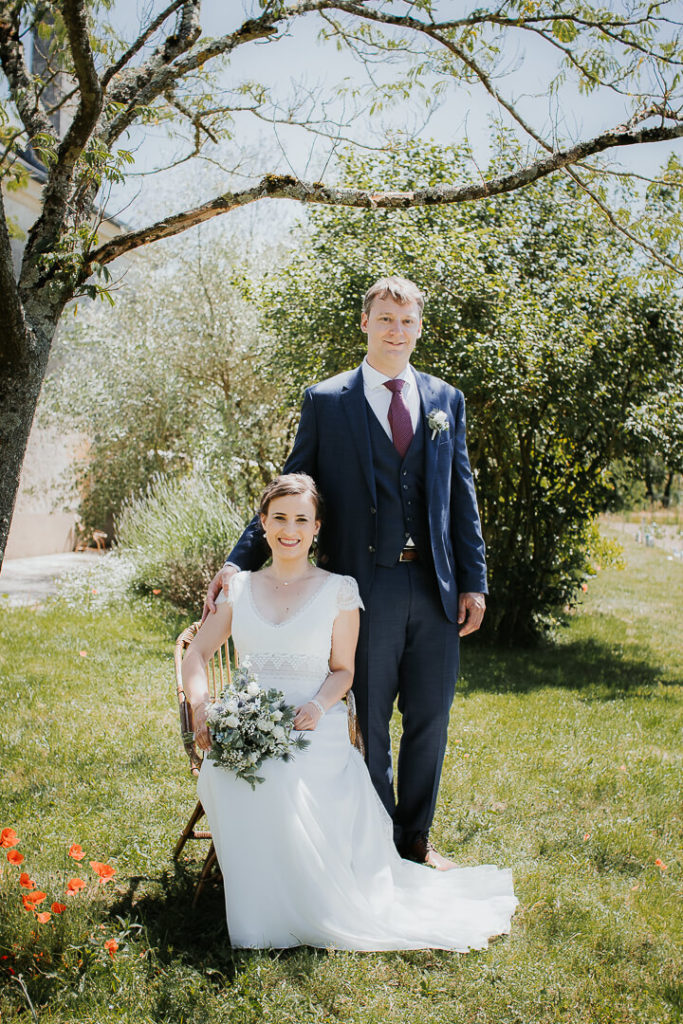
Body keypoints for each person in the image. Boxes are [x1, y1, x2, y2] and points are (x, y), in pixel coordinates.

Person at [205, 277, 487, 870]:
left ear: (418, 328)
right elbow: (289, 488)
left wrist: (473, 580)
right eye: (386, 319)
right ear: (365, 322)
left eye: (407, 322)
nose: (397, 331)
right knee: (373, 721)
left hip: (434, 588)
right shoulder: (327, 401)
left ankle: (416, 838)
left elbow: (461, 497)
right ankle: (377, 841)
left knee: (431, 719)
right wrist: (238, 560)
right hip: (366, 587)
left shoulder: (445, 400)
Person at [185, 473, 516, 950]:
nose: (289, 529)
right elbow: (197, 654)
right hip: (245, 724)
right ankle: (267, 905)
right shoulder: (238, 590)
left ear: (317, 527)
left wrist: (318, 706)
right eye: (278, 518)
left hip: (313, 723)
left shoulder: (339, 590)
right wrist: (202, 706)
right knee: (232, 774)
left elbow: (342, 670)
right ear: (263, 523)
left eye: (301, 519)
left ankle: (307, 906)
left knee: (286, 777)